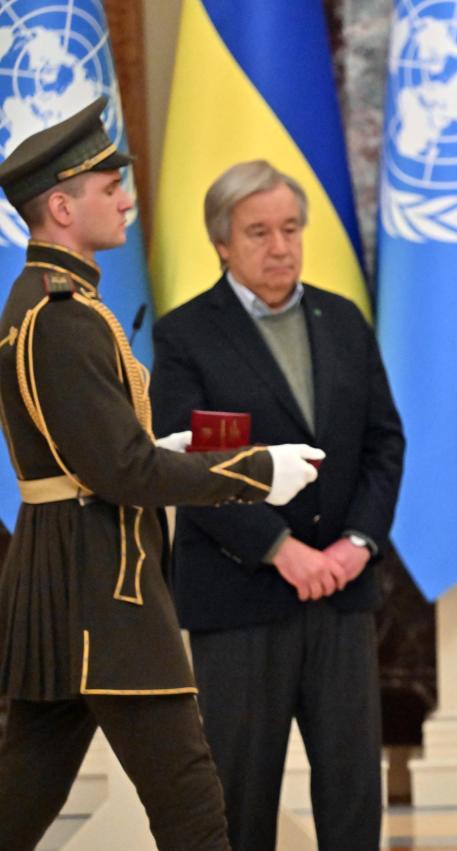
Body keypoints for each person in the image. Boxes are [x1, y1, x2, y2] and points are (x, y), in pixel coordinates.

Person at [0, 99, 324, 851]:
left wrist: (160, 444)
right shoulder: (62, 316)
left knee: (23, 793)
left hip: (61, 576)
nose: (124, 198)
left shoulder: (47, 305)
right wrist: (255, 472)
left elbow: (96, 449)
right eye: (106, 186)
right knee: (192, 806)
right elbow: (120, 469)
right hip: (103, 588)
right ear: (60, 205)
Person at [150, 160, 405, 851]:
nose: (280, 245)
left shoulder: (343, 319)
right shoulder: (186, 335)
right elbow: (187, 463)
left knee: (353, 793)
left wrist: (355, 544)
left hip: (342, 598)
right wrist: (279, 548)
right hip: (239, 599)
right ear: (222, 244)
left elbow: (384, 442)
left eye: (290, 228)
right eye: (258, 231)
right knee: (239, 797)